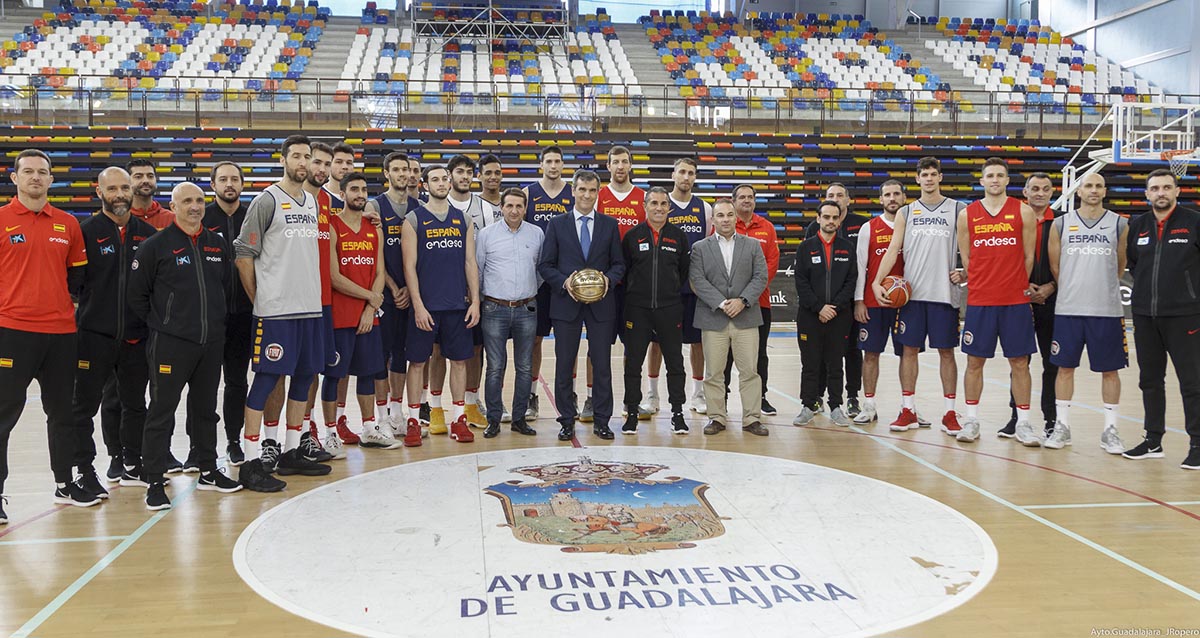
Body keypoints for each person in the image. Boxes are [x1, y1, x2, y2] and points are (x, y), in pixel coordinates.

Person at [128, 182, 243, 510]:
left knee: (206, 409)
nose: (194, 206)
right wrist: (165, 323)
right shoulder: (156, 245)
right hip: (171, 343)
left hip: (211, 342)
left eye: (199, 201)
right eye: (187, 201)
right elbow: (137, 295)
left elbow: (224, 287)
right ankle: (153, 479)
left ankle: (207, 468)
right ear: (173, 205)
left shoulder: (216, 244)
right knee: (161, 410)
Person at [0, 149, 100, 518]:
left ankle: (64, 482)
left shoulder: (67, 224)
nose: (35, 178)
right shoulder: (2, 220)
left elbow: (78, 275)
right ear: (15, 178)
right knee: (3, 415)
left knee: (62, 413)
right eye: (28, 172)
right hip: (13, 332)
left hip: (61, 334)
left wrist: (66, 305)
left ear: (50, 179)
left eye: (42, 172)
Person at [234, 135, 331, 492]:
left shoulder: (312, 201)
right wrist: (259, 297)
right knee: (265, 382)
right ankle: (250, 461)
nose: (303, 162)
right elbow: (243, 252)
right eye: (297, 156)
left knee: (304, 380)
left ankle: (292, 451)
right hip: (276, 313)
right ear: (284, 160)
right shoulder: (267, 200)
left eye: (308, 156)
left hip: (310, 308)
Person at [70, 167, 155, 497]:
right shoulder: (85, 232)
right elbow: (73, 285)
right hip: (94, 337)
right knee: (84, 408)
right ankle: (85, 469)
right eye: (113, 189)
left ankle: (132, 463)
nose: (120, 194)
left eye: (125, 187)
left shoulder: (147, 235)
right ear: (99, 192)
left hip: (136, 338)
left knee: (135, 404)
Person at [872, 157, 964, 434]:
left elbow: (971, 250)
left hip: (945, 295)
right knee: (908, 352)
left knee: (947, 353)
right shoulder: (907, 213)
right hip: (912, 295)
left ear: (940, 177)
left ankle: (950, 412)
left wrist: (967, 272)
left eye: (933, 174)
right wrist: (877, 282)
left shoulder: (958, 210)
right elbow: (892, 250)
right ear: (918, 179)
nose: (929, 179)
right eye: (924, 174)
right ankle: (907, 409)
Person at [537, 169, 624, 441]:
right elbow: (545, 265)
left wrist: (606, 281)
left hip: (601, 305)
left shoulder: (609, 225)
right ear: (573, 191)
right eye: (582, 190)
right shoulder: (557, 224)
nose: (587, 195)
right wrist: (566, 283)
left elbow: (619, 264)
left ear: (598, 193)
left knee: (602, 364)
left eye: (592, 190)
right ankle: (565, 419)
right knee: (564, 364)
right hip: (566, 304)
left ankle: (602, 420)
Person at [956, 157, 1039, 444]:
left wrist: (1015, 283)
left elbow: (1029, 256)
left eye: (1000, 175)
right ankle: (971, 420)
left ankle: (1024, 423)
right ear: (982, 181)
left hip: (1015, 300)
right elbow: (966, 258)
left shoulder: (1024, 211)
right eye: (989, 175)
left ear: (1007, 180)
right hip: (980, 300)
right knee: (974, 361)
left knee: (1019, 362)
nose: (994, 179)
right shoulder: (968, 214)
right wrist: (981, 279)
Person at [1044, 172, 1128, 453]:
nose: (1093, 190)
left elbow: (1119, 266)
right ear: (1078, 191)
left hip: (1106, 310)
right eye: (1088, 186)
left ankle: (1110, 429)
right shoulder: (1060, 224)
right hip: (1069, 308)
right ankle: (1062, 426)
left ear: (1105, 191)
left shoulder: (1120, 224)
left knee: (1110, 370)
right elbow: (1057, 268)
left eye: (1099, 186)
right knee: (1064, 368)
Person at [1123, 169, 1200, 469]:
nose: (1161, 193)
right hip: (1144, 316)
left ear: (1177, 191)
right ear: (1147, 194)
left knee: (1192, 383)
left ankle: (1197, 443)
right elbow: (1133, 262)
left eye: (1167, 187)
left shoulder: (1194, 222)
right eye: (1155, 188)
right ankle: (1153, 440)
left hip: (1185, 316)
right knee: (1149, 381)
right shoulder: (1138, 225)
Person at [401, 165, 481, 444]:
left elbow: (470, 263)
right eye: (434, 179)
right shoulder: (413, 219)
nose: (441, 183)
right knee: (418, 362)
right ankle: (413, 419)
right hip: (426, 307)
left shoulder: (464, 219)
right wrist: (418, 305)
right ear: (425, 185)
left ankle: (458, 418)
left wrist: (476, 301)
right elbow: (409, 268)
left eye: (444, 178)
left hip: (457, 305)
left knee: (459, 361)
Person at [322, 172, 394, 450]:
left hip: (367, 316)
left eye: (364, 189)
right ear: (342, 194)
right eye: (354, 189)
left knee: (368, 372)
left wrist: (369, 308)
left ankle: (368, 428)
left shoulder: (373, 228)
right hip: (340, 316)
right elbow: (334, 276)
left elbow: (380, 271)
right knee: (334, 375)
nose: (360, 194)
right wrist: (372, 298)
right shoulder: (332, 226)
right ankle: (330, 432)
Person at [689, 199, 769, 437]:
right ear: (712, 220)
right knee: (714, 372)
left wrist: (742, 301)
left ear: (737, 218)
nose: (725, 219)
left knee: (750, 371)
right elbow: (697, 280)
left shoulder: (753, 245)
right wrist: (723, 303)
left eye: (729, 215)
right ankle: (717, 417)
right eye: (720, 215)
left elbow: (760, 277)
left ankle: (752, 418)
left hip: (746, 317)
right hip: (714, 317)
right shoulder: (700, 248)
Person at [621, 186, 690, 435]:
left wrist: (667, 293)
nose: (659, 208)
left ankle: (678, 413)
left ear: (669, 208)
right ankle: (631, 412)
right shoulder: (632, 236)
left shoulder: (679, 237)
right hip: (637, 309)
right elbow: (626, 270)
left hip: (669, 308)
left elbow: (683, 272)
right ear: (645, 206)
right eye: (654, 203)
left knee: (675, 363)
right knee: (633, 363)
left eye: (663, 204)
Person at [476, 187, 542, 439]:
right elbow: (479, 270)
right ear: (501, 208)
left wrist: (529, 290)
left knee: (525, 367)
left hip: (526, 308)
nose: (514, 211)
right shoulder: (486, 235)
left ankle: (519, 418)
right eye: (509, 206)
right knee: (495, 367)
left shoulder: (537, 234)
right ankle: (493, 419)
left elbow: (540, 269)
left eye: (519, 206)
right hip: (494, 308)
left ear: (525, 208)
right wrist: (485, 299)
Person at [649, 158, 713, 415]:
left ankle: (698, 395)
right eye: (682, 172)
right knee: (658, 343)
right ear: (673, 174)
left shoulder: (705, 209)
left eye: (691, 173)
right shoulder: (662, 206)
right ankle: (652, 394)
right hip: (664, 289)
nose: (686, 177)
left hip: (695, 288)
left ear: (695, 177)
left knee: (697, 342)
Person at [200, 161, 252, 464]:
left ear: (242, 184)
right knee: (203, 385)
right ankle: (200, 447)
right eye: (223, 179)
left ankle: (234, 440)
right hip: (209, 317)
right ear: (213, 185)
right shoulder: (202, 217)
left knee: (236, 382)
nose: (229, 184)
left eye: (234, 179)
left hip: (245, 315)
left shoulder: (253, 217)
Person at [1001, 173, 1060, 437]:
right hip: (1019, 297)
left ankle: (1051, 419)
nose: (1040, 193)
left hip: (1052, 298)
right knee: (1018, 360)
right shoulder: (1013, 218)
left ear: (1052, 192)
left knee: (1052, 362)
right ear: (1025, 191)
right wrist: (1023, 287)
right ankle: (1017, 417)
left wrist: (1052, 286)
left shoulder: (1061, 222)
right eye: (1034, 188)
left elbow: (1069, 261)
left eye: (1045, 189)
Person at [806, 182, 869, 417]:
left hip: (851, 301)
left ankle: (853, 396)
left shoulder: (862, 224)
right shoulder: (814, 227)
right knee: (822, 352)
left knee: (853, 350)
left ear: (848, 200)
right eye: (831, 195)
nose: (836, 198)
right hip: (822, 305)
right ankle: (818, 396)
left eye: (840, 195)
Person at [793, 201, 858, 426]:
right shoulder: (805, 247)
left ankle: (836, 406)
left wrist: (835, 308)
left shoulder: (847, 248)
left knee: (835, 363)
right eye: (826, 217)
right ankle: (807, 405)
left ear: (839, 221)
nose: (830, 221)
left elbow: (851, 282)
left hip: (839, 316)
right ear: (818, 219)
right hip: (810, 316)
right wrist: (819, 307)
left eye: (834, 218)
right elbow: (800, 281)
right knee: (810, 363)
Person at [368, 152, 418, 441]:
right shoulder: (376, 206)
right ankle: (381, 415)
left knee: (402, 354)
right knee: (381, 355)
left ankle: (398, 413)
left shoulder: (418, 207)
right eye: (397, 169)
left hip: (409, 295)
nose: (403, 174)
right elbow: (373, 253)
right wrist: (392, 287)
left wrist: (409, 291)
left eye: (407, 170)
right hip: (384, 294)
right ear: (387, 173)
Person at [445, 153, 496, 430]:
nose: (464, 176)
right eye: (459, 171)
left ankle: (472, 402)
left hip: (476, 291)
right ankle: (436, 406)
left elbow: (486, 253)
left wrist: (477, 291)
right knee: (439, 352)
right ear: (450, 175)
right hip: (444, 290)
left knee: (476, 349)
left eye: (468, 172)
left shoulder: (485, 209)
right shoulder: (438, 204)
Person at [595, 145, 647, 420]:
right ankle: (593, 398)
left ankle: (631, 399)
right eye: (615, 162)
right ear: (608, 166)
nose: (620, 167)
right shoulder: (598, 196)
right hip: (603, 283)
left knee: (633, 346)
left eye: (624, 162)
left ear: (630, 166)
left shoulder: (643, 197)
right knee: (597, 346)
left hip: (633, 284)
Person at [524, 146, 573, 421]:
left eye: (557, 160)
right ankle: (531, 394)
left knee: (569, 341)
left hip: (567, 277)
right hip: (539, 278)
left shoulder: (572, 192)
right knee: (536, 339)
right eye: (549, 161)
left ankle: (571, 395)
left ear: (563, 164)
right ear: (541, 164)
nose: (553, 165)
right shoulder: (530, 193)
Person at [852, 180, 906, 424]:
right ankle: (869, 404)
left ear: (904, 198)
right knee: (871, 354)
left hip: (906, 302)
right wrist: (859, 300)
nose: (892, 198)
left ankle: (909, 406)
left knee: (908, 355)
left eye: (896, 194)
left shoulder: (912, 226)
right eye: (887, 195)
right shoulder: (869, 227)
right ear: (881, 200)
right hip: (874, 302)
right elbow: (861, 267)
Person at [723, 184, 780, 415]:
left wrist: (747, 296)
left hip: (759, 303)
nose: (746, 200)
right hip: (727, 304)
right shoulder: (725, 225)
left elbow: (771, 265)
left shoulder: (767, 227)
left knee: (759, 354)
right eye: (742, 197)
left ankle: (760, 397)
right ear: (734, 201)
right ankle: (722, 398)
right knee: (724, 354)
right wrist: (733, 296)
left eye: (750, 197)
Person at [127, 158, 175, 230]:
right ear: (128, 181)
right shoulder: (121, 219)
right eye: (138, 177)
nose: (146, 181)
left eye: (150, 176)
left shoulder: (172, 219)